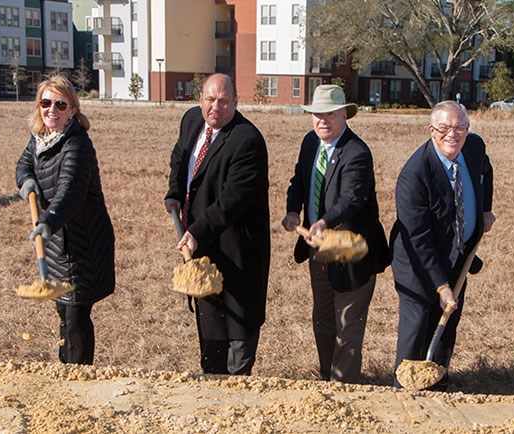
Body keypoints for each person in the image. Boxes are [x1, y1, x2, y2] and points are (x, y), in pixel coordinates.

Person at [282, 84, 389, 383]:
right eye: (316, 114)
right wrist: (293, 211)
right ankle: (327, 377)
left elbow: (352, 199)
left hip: (350, 248)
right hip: (319, 247)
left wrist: (324, 221)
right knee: (324, 319)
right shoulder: (309, 143)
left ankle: (344, 388)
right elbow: (299, 181)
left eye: (329, 114)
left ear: (345, 114)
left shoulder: (357, 152)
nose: (322, 121)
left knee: (348, 325)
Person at [164, 73, 270, 376]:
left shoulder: (247, 141)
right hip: (204, 250)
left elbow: (232, 200)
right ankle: (212, 385)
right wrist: (174, 192)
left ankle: (237, 390)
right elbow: (180, 157)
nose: (216, 107)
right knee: (210, 325)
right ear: (200, 99)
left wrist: (195, 232)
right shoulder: (191, 121)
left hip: (238, 250)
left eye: (224, 101)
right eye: (210, 99)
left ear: (236, 102)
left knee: (238, 325)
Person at [390, 100, 495, 390]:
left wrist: (485, 209)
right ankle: (406, 386)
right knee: (419, 324)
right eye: (445, 128)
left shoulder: (473, 147)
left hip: (457, 255)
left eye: (461, 127)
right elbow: (418, 238)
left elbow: (486, 171)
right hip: (417, 263)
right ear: (431, 131)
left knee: (448, 322)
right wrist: (439, 285)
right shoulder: (414, 175)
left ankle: (436, 380)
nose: (454, 134)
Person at [16, 75, 115, 365]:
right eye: (46, 103)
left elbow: (70, 193)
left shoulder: (77, 145)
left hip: (84, 244)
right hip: (59, 242)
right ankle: (66, 371)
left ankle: (78, 375)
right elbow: (24, 164)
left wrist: (47, 221)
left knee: (76, 314)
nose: (52, 110)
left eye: (61, 104)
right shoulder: (41, 137)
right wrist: (27, 182)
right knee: (64, 311)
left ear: (73, 109)